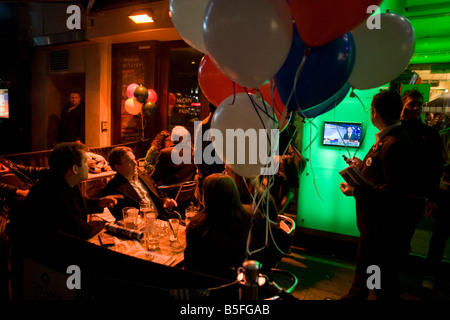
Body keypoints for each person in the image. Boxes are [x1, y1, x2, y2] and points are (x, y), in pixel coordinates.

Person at [339, 91, 418, 300]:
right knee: (367, 275)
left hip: (381, 229)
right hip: (374, 226)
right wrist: (361, 167)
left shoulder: (395, 144)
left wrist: (355, 190)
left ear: (374, 112)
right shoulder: (389, 139)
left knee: (382, 283)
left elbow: (393, 192)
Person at [21, 142, 121, 240]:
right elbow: (80, 230)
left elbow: (78, 204)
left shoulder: (65, 181)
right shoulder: (52, 192)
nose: (88, 166)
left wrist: (99, 203)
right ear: (75, 169)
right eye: (85, 162)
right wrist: (105, 223)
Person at [184, 173, 252, 280]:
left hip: (205, 287)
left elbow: (190, 266)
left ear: (206, 197)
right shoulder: (248, 218)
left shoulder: (198, 227)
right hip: (239, 282)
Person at [400, 89, 443, 254]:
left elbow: (435, 167)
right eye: (411, 104)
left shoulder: (430, 134)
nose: (416, 108)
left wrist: (432, 198)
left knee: (405, 237)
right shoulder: (396, 130)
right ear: (403, 107)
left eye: (419, 104)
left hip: (415, 195)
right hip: (393, 192)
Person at [102, 146, 177, 221]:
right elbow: (121, 217)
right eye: (129, 162)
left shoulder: (143, 175)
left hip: (161, 219)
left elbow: (159, 194)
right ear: (118, 167)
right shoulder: (112, 188)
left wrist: (166, 201)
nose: (135, 163)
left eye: (134, 159)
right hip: (139, 225)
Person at [422, 127, 450, 290]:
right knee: (439, 234)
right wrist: (432, 197)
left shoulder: (443, 136)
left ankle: (430, 275)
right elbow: (434, 166)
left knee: (439, 235)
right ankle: (430, 273)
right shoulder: (443, 136)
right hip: (445, 192)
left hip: (443, 190)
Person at [194, 103, 225, 204]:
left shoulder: (220, 124)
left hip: (220, 175)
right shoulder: (204, 126)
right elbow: (198, 155)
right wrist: (205, 176)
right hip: (209, 176)